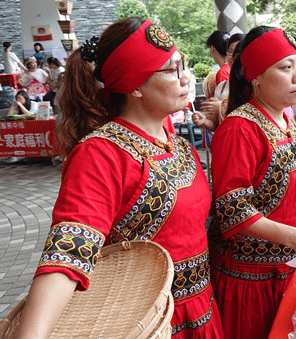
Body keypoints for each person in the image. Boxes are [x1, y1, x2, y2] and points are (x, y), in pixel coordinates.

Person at [14, 18, 224, 339]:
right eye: (171, 70)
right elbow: (68, 253)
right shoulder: (100, 154)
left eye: (183, 65)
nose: (185, 78)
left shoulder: (178, 144)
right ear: (134, 86)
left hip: (202, 311)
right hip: (145, 324)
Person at [208, 26, 296, 339]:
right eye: (285, 67)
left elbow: (277, 203)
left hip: (286, 271)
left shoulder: (286, 120)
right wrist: (294, 237)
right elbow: (232, 211)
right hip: (250, 283)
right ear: (255, 77)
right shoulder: (239, 129)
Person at [195, 33, 245, 132]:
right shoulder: (222, 87)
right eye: (230, 52)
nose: (234, 56)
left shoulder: (254, 85)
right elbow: (215, 125)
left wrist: (222, 106)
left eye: (239, 51)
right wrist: (203, 121)